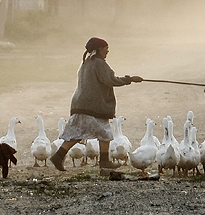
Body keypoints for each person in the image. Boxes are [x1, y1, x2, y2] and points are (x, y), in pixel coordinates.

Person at [50, 37, 143, 171]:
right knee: (105, 133)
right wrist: (130, 79)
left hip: (81, 104)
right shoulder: (98, 63)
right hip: (92, 106)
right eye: (106, 48)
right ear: (99, 49)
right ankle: (104, 162)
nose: (108, 51)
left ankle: (58, 157)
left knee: (78, 132)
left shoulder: (86, 63)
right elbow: (110, 79)